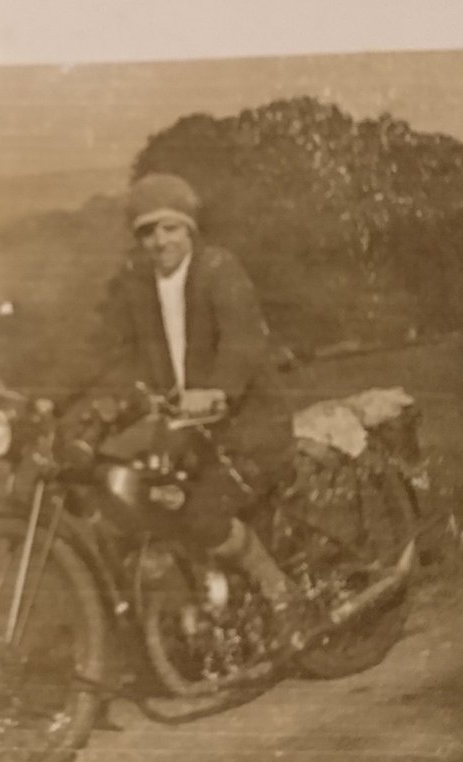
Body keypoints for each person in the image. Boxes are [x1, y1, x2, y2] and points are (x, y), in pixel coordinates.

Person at [97, 172, 305, 646]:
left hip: (250, 427)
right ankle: (205, 613)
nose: (159, 241)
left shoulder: (218, 270)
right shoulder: (140, 287)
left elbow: (242, 341)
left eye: (169, 227)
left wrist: (217, 390)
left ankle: (284, 597)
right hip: (192, 432)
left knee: (201, 516)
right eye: (147, 232)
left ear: (190, 227)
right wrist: (118, 399)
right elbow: (118, 355)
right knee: (140, 502)